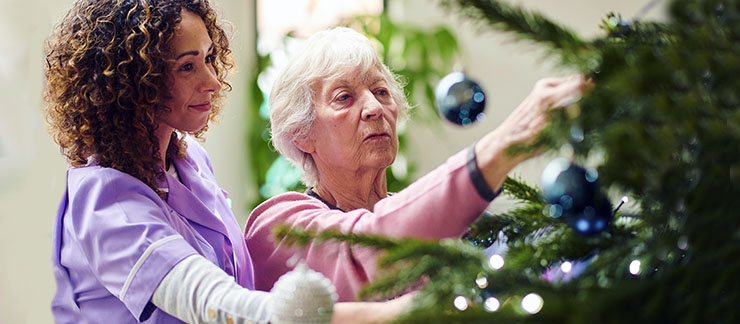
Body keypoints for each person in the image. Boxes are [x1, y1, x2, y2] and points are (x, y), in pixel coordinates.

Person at [45, 1, 410, 323]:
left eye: (207, 58)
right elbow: (218, 307)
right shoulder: (107, 200)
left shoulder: (191, 164)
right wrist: (397, 314)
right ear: (134, 81)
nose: (213, 81)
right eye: (187, 67)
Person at [244, 27, 587, 302]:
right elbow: (374, 248)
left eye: (381, 91)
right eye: (344, 97)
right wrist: (502, 145)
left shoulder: (431, 219)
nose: (374, 108)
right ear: (301, 134)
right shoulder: (277, 227)